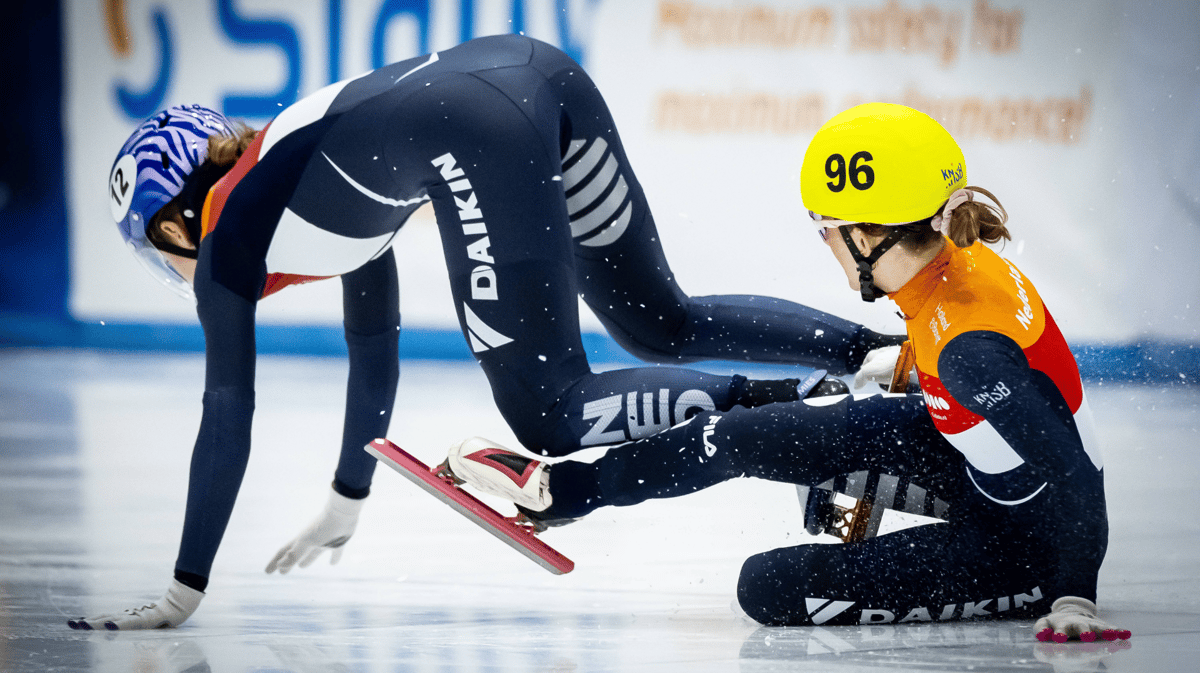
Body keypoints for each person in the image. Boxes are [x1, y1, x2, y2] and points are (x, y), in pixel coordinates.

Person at [69, 35, 901, 631]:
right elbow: (375, 346)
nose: (173, 266)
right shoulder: (292, 175)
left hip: (476, 126)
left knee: (551, 413)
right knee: (659, 319)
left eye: (156, 250)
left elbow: (227, 413)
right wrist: (346, 496)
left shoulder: (229, 236)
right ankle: (872, 352)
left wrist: (184, 587)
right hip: (537, 70)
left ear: (176, 223)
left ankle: (805, 404)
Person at [446, 103, 1129, 641]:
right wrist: (825, 429)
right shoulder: (951, 262)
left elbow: (1075, 471)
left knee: (767, 588)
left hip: (1025, 543)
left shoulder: (970, 350)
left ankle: (1039, 582)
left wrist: (1073, 595)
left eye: (824, 228)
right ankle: (564, 491)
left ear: (868, 236)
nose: (824, 242)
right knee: (742, 436)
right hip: (973, 463)